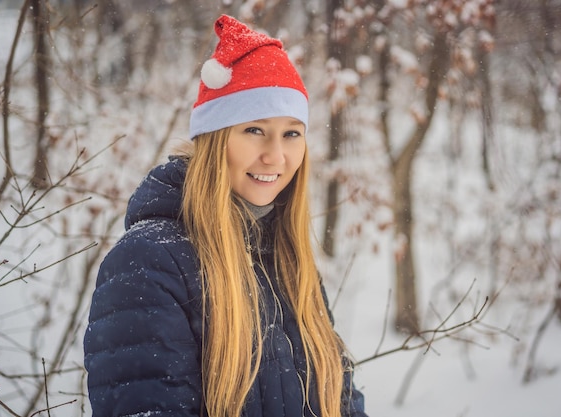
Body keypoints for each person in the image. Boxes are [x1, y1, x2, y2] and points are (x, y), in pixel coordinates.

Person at [84, 14, 369, 417]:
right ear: (216, 138)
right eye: (254, 129)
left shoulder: (288, 257)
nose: (276, 155)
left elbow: (341, 397)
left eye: (292, 133)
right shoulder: (149, 262)